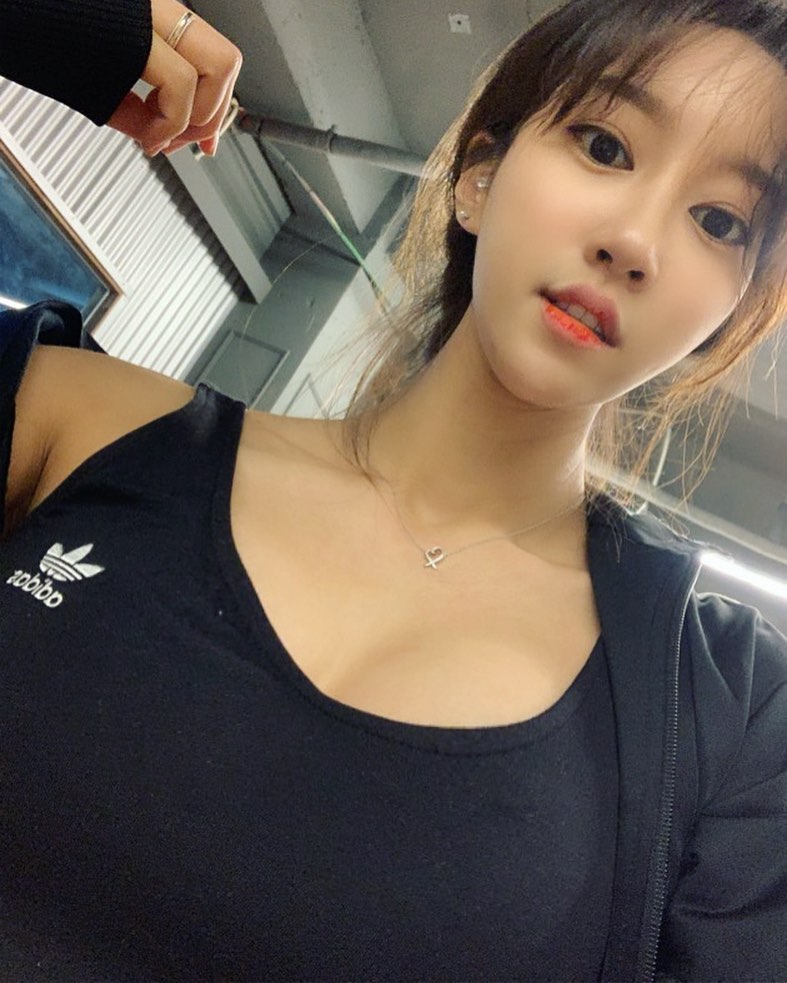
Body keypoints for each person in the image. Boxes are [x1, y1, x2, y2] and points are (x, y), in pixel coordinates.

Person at [1, 0, 786, 979]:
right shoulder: (69, 417)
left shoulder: (737, 714)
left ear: (726, 318)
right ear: (478, 177)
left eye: (719, 220)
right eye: (603, 145)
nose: (635, 240)